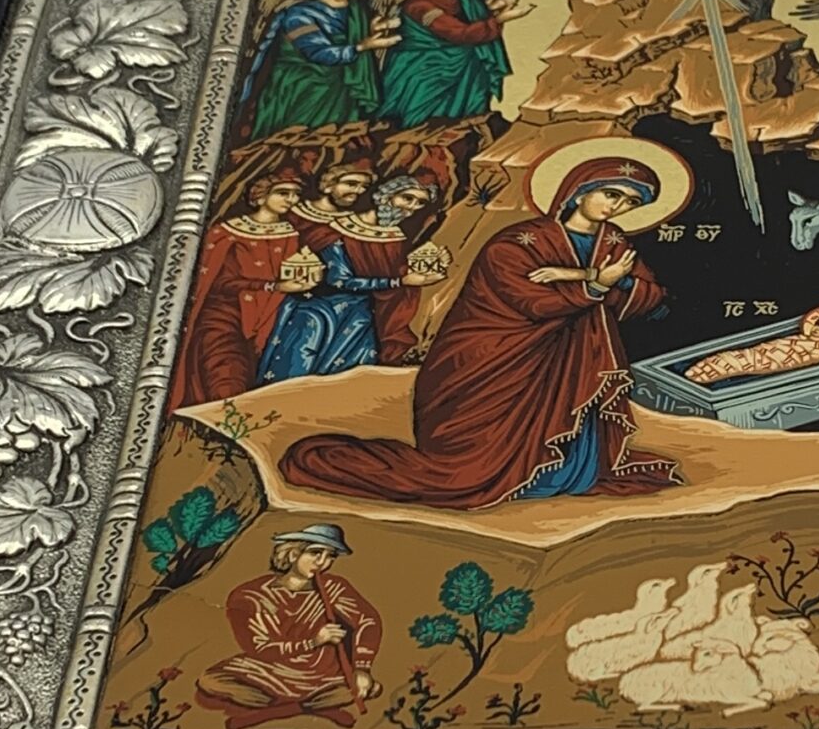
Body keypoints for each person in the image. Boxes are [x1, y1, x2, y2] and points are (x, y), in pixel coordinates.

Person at [283, 155, 679, 509]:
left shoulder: (614, 242)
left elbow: (649, 294)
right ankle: (518, 473)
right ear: (580, 191)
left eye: (631, 202)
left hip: (577, 352)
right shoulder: (519, 240)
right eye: (612, 194)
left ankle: (567, 472)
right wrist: (594, 285)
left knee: (572, 410)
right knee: (471, 463)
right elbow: (529, 301)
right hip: (504, 352)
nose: (618, 207)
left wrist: (588, 277)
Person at [257, 171, 445, 379]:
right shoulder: (336, 230)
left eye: (420, 203)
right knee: (297, 372)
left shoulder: (395, 237)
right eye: (407, 198)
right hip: (320, 311)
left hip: (361, 317)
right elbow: (338, 280)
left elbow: (395, 274)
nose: (411, 207)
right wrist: (400, 281)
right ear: (385, 195)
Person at [192, 524, 381, 728]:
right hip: (267, 669)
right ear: (292, 554)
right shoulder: (250, 595)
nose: (323, 562)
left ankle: (275, 711)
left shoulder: (333, 587)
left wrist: (362, 668)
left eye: (330, 556)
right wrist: (314, 641)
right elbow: (260, 648)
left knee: (369, 687)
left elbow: (368, 621)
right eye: (315, 553)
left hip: (321, 673)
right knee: (211, 680)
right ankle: (306, 707)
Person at [170, 172, 303, 408]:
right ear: (260, 196)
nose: (291, 200)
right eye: (283, 193)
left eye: (295, 195)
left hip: (266, 318)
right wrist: (271, 286)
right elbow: (219, 282)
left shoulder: (290, 234)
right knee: (226, 373)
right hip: (223, 315)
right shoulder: (227, 233)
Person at [240, 0, 397, 140]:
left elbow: (354, 33)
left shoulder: (357, 9)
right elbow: (316, 52)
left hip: (342, 80)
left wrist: (372, 29)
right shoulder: (301, 13)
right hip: (305, 82)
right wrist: (361, 47)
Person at [379, 0, 518, 128]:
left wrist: (500, 9)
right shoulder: (420, 4)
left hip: (464, 60)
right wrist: (499, 19)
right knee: (425, 119)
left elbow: (474, 22)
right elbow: (457, 32)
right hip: (425, 63)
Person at [684, 305, 819, 386]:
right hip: (753, 354)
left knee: (728, 365)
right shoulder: (800, 336)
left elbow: (787, 361)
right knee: (723, 358)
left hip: (760, 362)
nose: (818, 328)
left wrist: (761, 358)